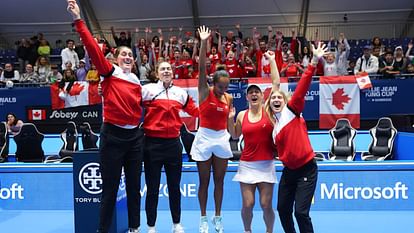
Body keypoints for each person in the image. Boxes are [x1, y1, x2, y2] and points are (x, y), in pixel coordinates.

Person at [67, 1, 143, 233]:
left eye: (131, 54)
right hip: (113, 137)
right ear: (116, 58)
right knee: (109, 188)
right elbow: (91, 47)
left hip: (135, 139)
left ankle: (134, 228)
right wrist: (79, 19)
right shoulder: (109, 73)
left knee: (133, 187)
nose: (128, 57)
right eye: (124, 54)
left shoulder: (138, 81)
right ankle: (102, 230)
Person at [265, 42, 327, 233]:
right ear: (269, 102)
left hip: (307, 169)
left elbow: (302, 86)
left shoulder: (292, 111)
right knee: (283, 210)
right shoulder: (273, 128)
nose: (276, 99)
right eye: (273, 98)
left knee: (300, 213)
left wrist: (314, 61)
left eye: (279, 98)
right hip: (289, 172)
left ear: (285, 101)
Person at [141, 61, 199, 233]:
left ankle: (176, 224)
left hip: (174, 145)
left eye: (168, 68)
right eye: (162, 69)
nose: (166, 71)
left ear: (172, 72)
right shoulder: (147, 90)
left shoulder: (180, 93)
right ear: (157, 73)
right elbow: (129, 103)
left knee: (174, 187)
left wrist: (215, 109)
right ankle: (151, 226)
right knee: (152, 188)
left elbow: (196, 111)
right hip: (152, 145)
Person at [228, 51, 279, 233]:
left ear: (262, 96)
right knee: (248, 204)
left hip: (266, 163)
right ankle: (247, 230)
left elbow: (276, 84)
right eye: (251, 93)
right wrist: (230, 119)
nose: (254, 94)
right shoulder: (241, 115)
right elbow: (234, 136)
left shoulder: (270, 111)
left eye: (257, 91)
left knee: (266, 204)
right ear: (247, 97)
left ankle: (269, 231)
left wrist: (272, 60)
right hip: (247, 164)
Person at [191, 25, 234, 233]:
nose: (223, 90)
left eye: (226, 87)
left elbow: (229, 124)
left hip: (221, 138)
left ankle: (218, 216)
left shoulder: (229, 98)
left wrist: (232, 120)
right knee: (204, 181)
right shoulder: (204, 91)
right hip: (204, 138)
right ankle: (203, 218)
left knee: (219, 181)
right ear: (213, 83)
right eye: (220, 87)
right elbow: (201, 69)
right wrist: (204, 42)